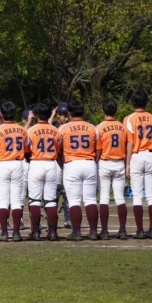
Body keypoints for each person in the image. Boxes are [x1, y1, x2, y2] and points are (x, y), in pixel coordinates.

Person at [124, 91, 152, 239]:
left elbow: (130, 142)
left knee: (137, 196)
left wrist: (127, 163)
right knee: (151, 196)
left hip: (136, 156)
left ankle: (140, 230)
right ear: (146, 102)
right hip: (151, 155)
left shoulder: (129, 118)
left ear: (133, 102)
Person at [59, 102, 98, 241]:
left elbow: (58, 148)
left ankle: (76, 232)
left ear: (69, 113)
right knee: (90, 199)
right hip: (89, 162)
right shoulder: (92, 127)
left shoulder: (63, 128)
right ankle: (93, 231)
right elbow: (98, 149)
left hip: (72, 163)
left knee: (74, 200)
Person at [0, 102, 28, 242]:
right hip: (17, 163)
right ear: (15, 113)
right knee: (16, 201)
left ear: (1, 114)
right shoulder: (22, 130)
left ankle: (4, 233)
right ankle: (17, 232)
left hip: (2, 163)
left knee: (3, 201)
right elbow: (26, 149)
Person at [26, 103, 62, 241]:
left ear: (37, 115)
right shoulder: (56, 130)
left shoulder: (31, 130)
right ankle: (52, 232)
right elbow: (58, 149)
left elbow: (26, 149)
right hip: (51, 164)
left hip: (36, 163)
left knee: (34, 200)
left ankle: (35, 232)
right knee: (50, 200)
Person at [96, 99, 128, 240]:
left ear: (102, 111)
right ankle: (122, 230)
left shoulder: (99, 127)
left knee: (104, 197)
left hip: (105, 162)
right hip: (119, 162)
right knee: (120, 197)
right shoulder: (122, 127)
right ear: (116, 111)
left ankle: (104, 230)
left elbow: (98, 149)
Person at [52, 102, 71, 229]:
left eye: (66, 115)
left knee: (68, 192)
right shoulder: (54, 127)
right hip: (58, 163)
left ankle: (69, 219)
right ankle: (52, 219)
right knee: (56, 191)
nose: (66, 118)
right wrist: (53, 114)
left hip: (68, 163)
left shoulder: (69, 127)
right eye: (63, 115)